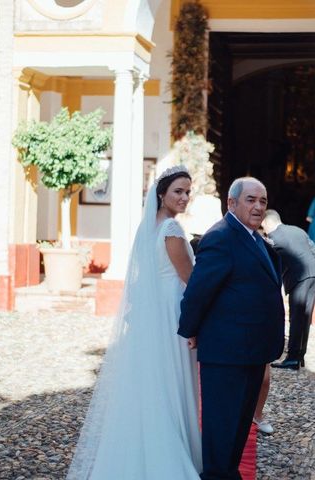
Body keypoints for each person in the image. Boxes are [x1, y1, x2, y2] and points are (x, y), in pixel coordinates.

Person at [68, 165, 202, 479]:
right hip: (172, 313)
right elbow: (190, 279)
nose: (184, 198)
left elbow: (142, 278)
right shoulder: (171, 229)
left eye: (187, 192)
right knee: (172, 383)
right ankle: (170, 456)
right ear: (161, 194)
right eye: (178, 192)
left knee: (154, 382)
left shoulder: (148, 227)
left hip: (152, 315)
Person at [178, 177, 285, 480]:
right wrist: (191, 329)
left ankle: (228, 473)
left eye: (262, 201)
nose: (258, 206)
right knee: (221, 427)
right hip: (226, 353)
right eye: (251, 200)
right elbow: (199, 291)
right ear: (232, 203)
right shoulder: (221, 237)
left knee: (238, 426)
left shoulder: (253, 237)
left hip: (251, 350)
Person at [262, 209, 315, 371]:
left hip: (300, 278)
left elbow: (271, 264)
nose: (264, 230)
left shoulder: (274, 238)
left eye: (263, 226)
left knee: (297, 317)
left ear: (268, 222)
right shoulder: (298, 230)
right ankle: (299, 356)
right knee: (305, 317)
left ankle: (291, 358)